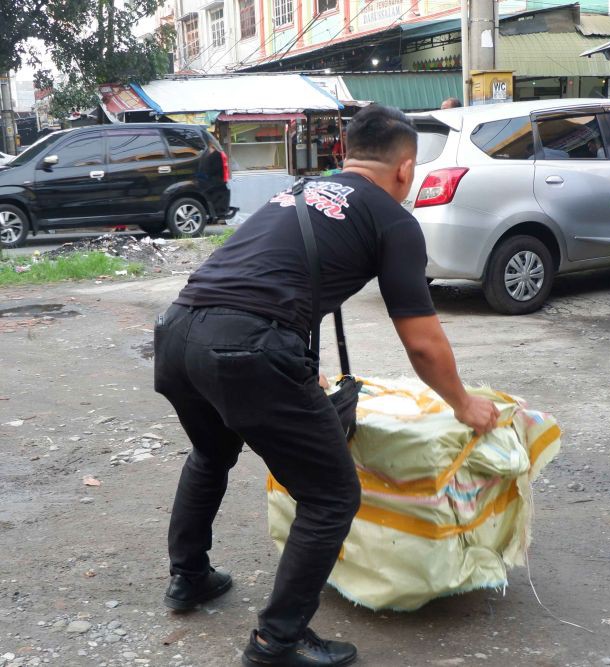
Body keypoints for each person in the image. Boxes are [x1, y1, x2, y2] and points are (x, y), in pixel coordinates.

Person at [153, 105, 500, 667]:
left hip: (177, 333)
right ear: (405, 168)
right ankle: (276, 641)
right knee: (332, 496)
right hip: (245, 347)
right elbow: (422, 343)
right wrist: (464, 404)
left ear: (346, 154)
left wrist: (288, 354)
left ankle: (189, 577)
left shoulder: (296, 192)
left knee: (211, 453)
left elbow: (265, 272)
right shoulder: (392, 219)